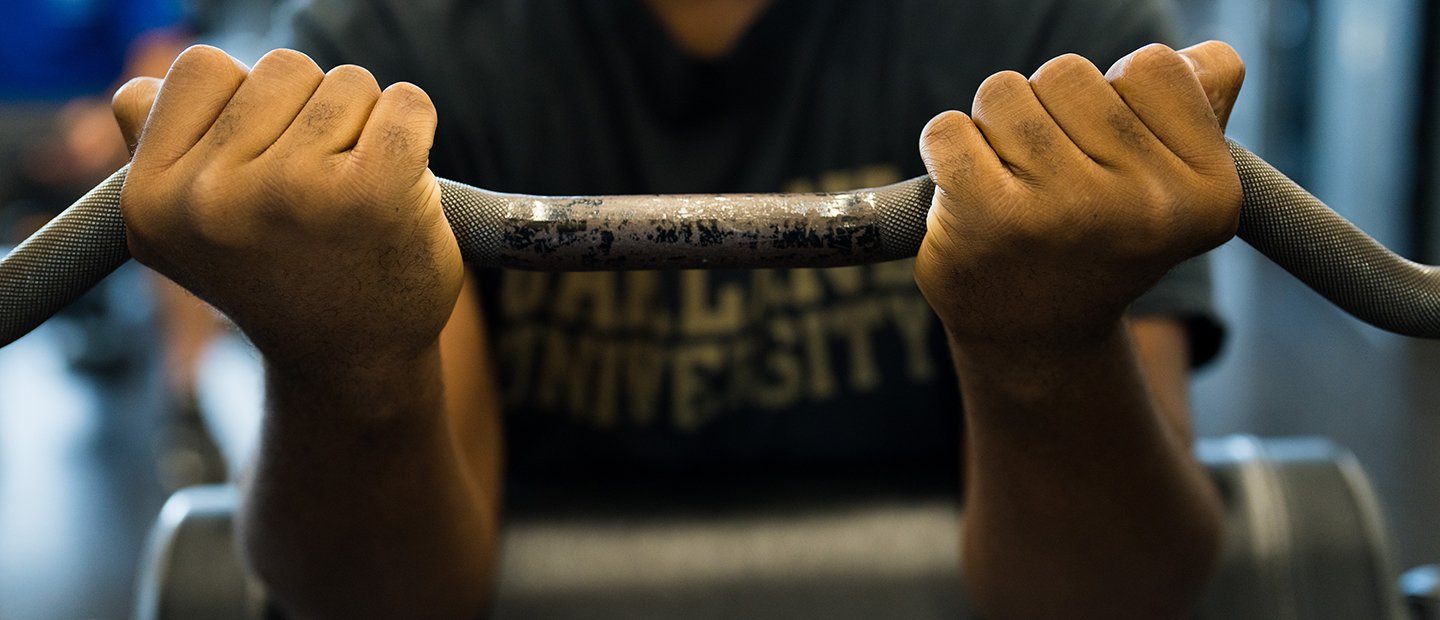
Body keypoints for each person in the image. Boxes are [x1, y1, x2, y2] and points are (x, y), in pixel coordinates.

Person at [109, 0, 1245, 617]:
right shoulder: (385, 59)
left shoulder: (1047, 43)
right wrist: (342, 363)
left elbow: (1121, 593)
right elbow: (393, 600)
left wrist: (1047, 349)